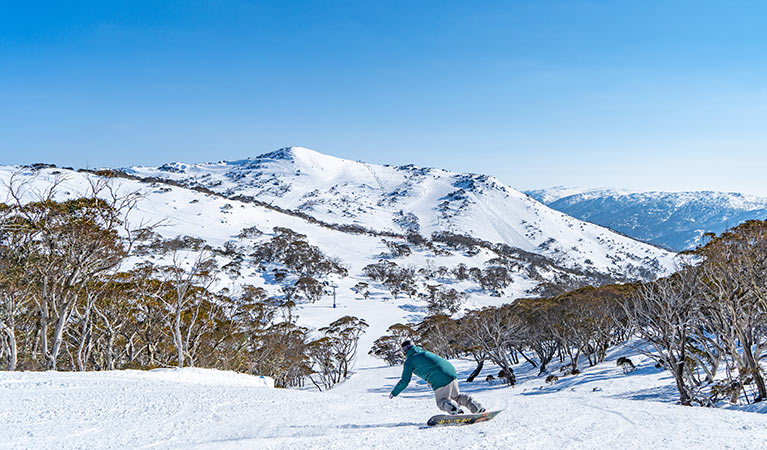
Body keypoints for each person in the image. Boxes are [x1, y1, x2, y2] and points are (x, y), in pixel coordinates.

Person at [388, 340, 485, 415]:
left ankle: (453, 409)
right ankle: (476, 406)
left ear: (405, 351)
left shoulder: (409, 361)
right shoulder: (424, 352)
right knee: (456, 396)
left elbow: (405, 381)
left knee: (441, 401)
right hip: (451, 372)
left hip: (439, 377)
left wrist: (394, 393)